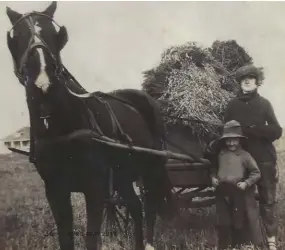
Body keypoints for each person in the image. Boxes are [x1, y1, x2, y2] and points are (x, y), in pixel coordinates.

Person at [224, 65, 282, 250]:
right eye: (243, 79)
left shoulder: (264, 104)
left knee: (267, 200)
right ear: (240, 83)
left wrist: (258, 130)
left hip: (264, 158)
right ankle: (250, 241)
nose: (247, 81)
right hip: (242, 161)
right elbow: (225, 130)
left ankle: (271, 238)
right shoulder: (232, 105)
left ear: (257, 82)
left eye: (251, 78)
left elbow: (277, 130)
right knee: (245, 201)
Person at [209, 120, 263, 250]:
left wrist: (246, 183)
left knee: (237, 218)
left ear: (240, 140)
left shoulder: (245, 155)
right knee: (223, 219)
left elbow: (256, 173)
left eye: (234, 140)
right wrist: (213, 178)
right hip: (222, 190)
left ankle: (238, 244)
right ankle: (223, 245)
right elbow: (213, 169)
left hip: (237, 191)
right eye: (228, 140)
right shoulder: (221, 154)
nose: (231, 143)